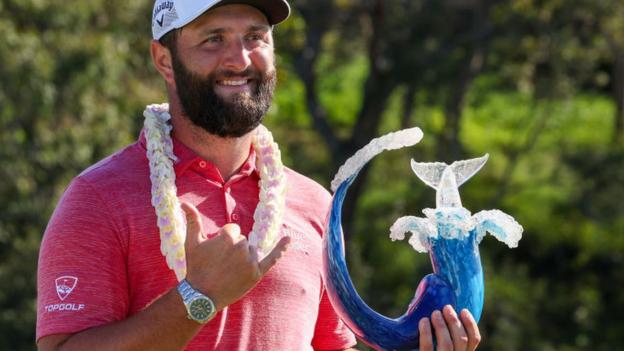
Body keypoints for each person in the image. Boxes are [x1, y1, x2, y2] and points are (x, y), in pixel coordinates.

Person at [36, 0, 481, 350]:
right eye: (213, 39)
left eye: (255, 37)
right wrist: (199, 297)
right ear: (164, 60)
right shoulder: (97, 199)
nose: (240, 59)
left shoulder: (312, 204)